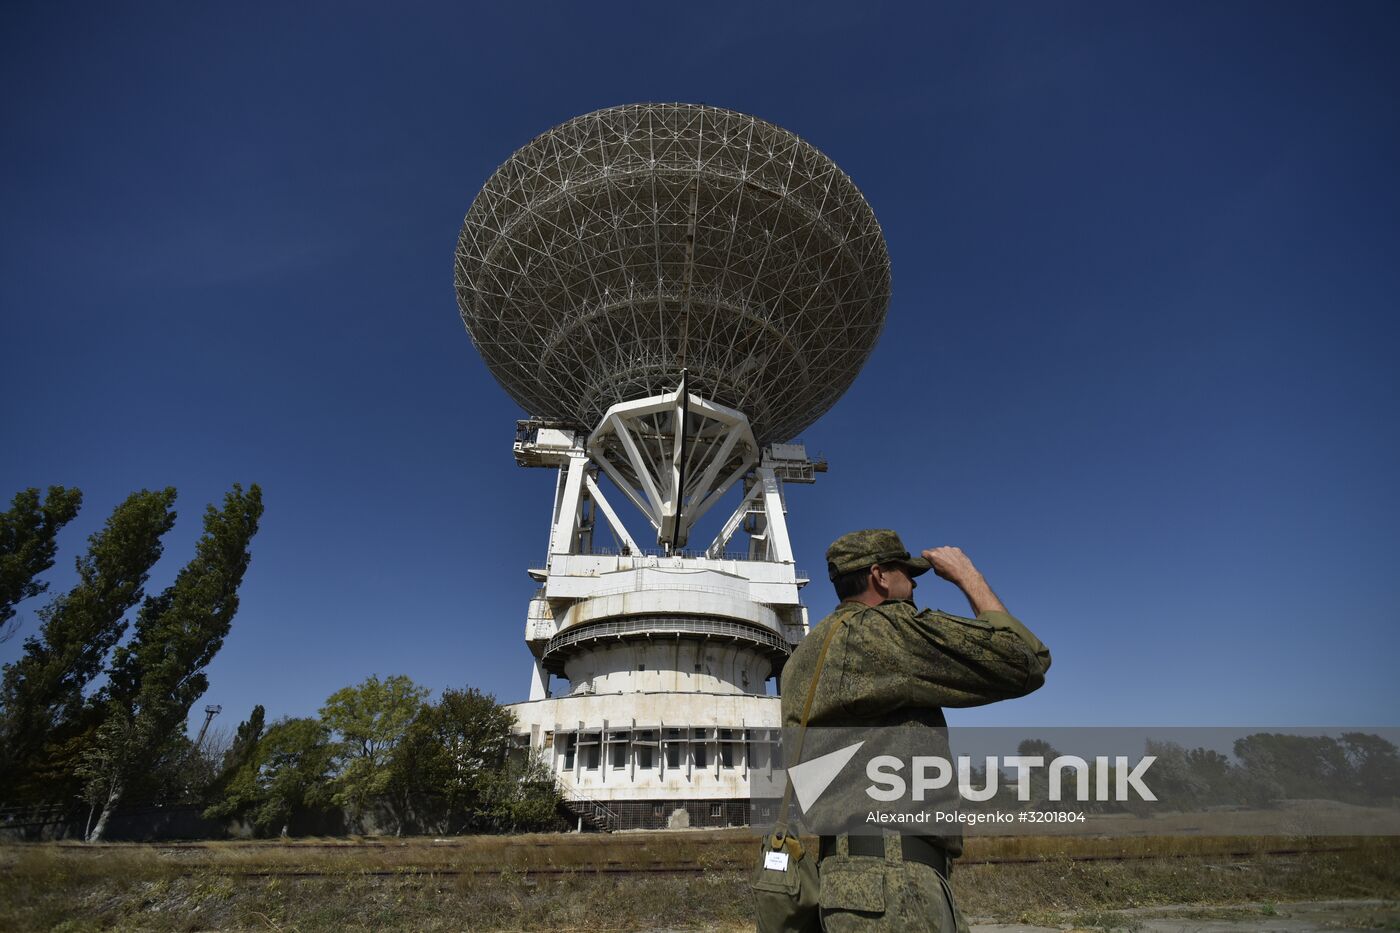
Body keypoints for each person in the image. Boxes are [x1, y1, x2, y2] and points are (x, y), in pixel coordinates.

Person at [779, 529, 1051, 932]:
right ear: (880, 577)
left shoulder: (803, 657)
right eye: (908, 572)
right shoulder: (886, 634)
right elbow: (1025, 660)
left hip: (837, 882)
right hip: (895, 887)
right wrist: (968, 576)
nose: (915, 581)